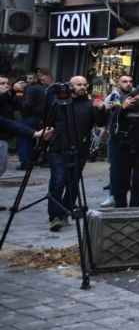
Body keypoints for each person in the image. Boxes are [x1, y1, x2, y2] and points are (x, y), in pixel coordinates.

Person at [46, 77, 108, 231]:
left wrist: (102, 110)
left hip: (79, 149)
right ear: (70, 86)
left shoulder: (90, 104)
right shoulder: (60, 102)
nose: (82, 87)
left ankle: (66, 211)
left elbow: (100, 123)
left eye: (85, 85)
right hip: (58, 148)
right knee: (57, 181)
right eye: (78, 84)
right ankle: (55, 216)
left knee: (72, 182)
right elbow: (48, 120)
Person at [100, 75, 134, 208]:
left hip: (131, 137)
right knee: (114, 166)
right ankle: (113, 195)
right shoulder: (114, 96)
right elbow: (107, 115)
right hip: (115, 136)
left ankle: (122, 197)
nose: (128, 84)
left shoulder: (136, 95)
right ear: (119, 83)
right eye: (125, 81)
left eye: (130, 81)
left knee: (127, 169)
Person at [17, 69, 51, 170]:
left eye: (30, 78)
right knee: (32, 139)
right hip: (37, 117)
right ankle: (30, 160)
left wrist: (21, 108)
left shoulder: (31, 89)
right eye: (27, 78)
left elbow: (28, 103)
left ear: (36, 79)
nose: (28, 80)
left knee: (24, 138)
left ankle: (24, 162)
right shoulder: (41, 89)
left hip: (29, 116)